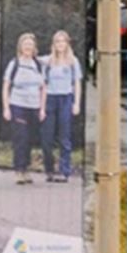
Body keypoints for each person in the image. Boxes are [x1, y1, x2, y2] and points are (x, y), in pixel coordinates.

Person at [2, 30, 45, 179]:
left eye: (30, 45)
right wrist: (6, 108)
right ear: (20, 47)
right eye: (25, 44)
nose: (28, 47)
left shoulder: (38, 65)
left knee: (30, 140)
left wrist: (42, 109)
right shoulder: (14, 64)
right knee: (21, 138)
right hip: (17, 105)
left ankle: (26, 169)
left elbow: (43, 88)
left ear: (34, 48)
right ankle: (19, 171)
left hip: (34, 107)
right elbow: (6, 86)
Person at [43, 29, 82, 178]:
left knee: (64, 137)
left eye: (63, 41)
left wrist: (76, 103)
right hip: (50, 99)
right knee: (47, 138)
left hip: (65, 99)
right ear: (54, 44)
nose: (60, 44)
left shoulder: (73, 61)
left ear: (67, 43)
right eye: (57, 41)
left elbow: (77, 83)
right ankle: (49, 169)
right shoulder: (48, 61)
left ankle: (64, 170)